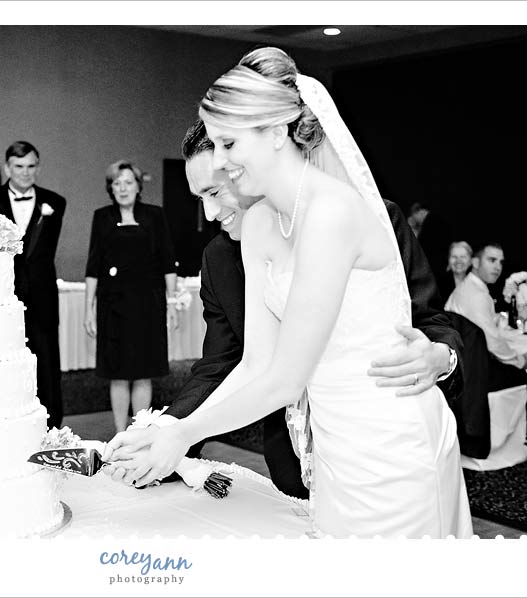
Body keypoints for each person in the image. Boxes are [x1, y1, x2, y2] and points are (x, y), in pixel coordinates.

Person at [104, 47, 472, 538]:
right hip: (330, 448)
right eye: (214, 145)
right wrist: (169, 430)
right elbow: (256, 362)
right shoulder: (257, 224)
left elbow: (286, 376)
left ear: (277, 132)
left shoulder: (333, 213)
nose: (221, 160)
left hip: (390, 440)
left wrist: (186, 433)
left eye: (228, 144)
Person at [0, 142, 66, 428]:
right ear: (7, 167)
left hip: (43, 296)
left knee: (47, 362)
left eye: (31, 166)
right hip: (1, 296)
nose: (25, 173)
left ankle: (51, 425)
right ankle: (4, 423)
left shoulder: (55, 202)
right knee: (3, 359)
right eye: (19, 166)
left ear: (38, 167)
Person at [84, 160, 179, 433]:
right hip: (112, 304)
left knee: (143, 370)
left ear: (138, 186)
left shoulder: (155, 215)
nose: (122, 188)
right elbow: (93, 266)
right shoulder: (101, 217)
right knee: (118, 372)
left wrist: (171, 304)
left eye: (128, 182)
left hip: (148, 304)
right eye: (117, 183)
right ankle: (119, 432)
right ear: (110, 188)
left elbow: (167, 261)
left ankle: (138, 432)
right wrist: (88, 309)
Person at [445, 243, 527, 391]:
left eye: (500, 262)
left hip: (467, 363)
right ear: (475, 262)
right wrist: (521, 361)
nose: (498, 267)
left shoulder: (471, 287)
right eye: (492, 260)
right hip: (473, 372)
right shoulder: (476, 294)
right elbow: (492, 343)